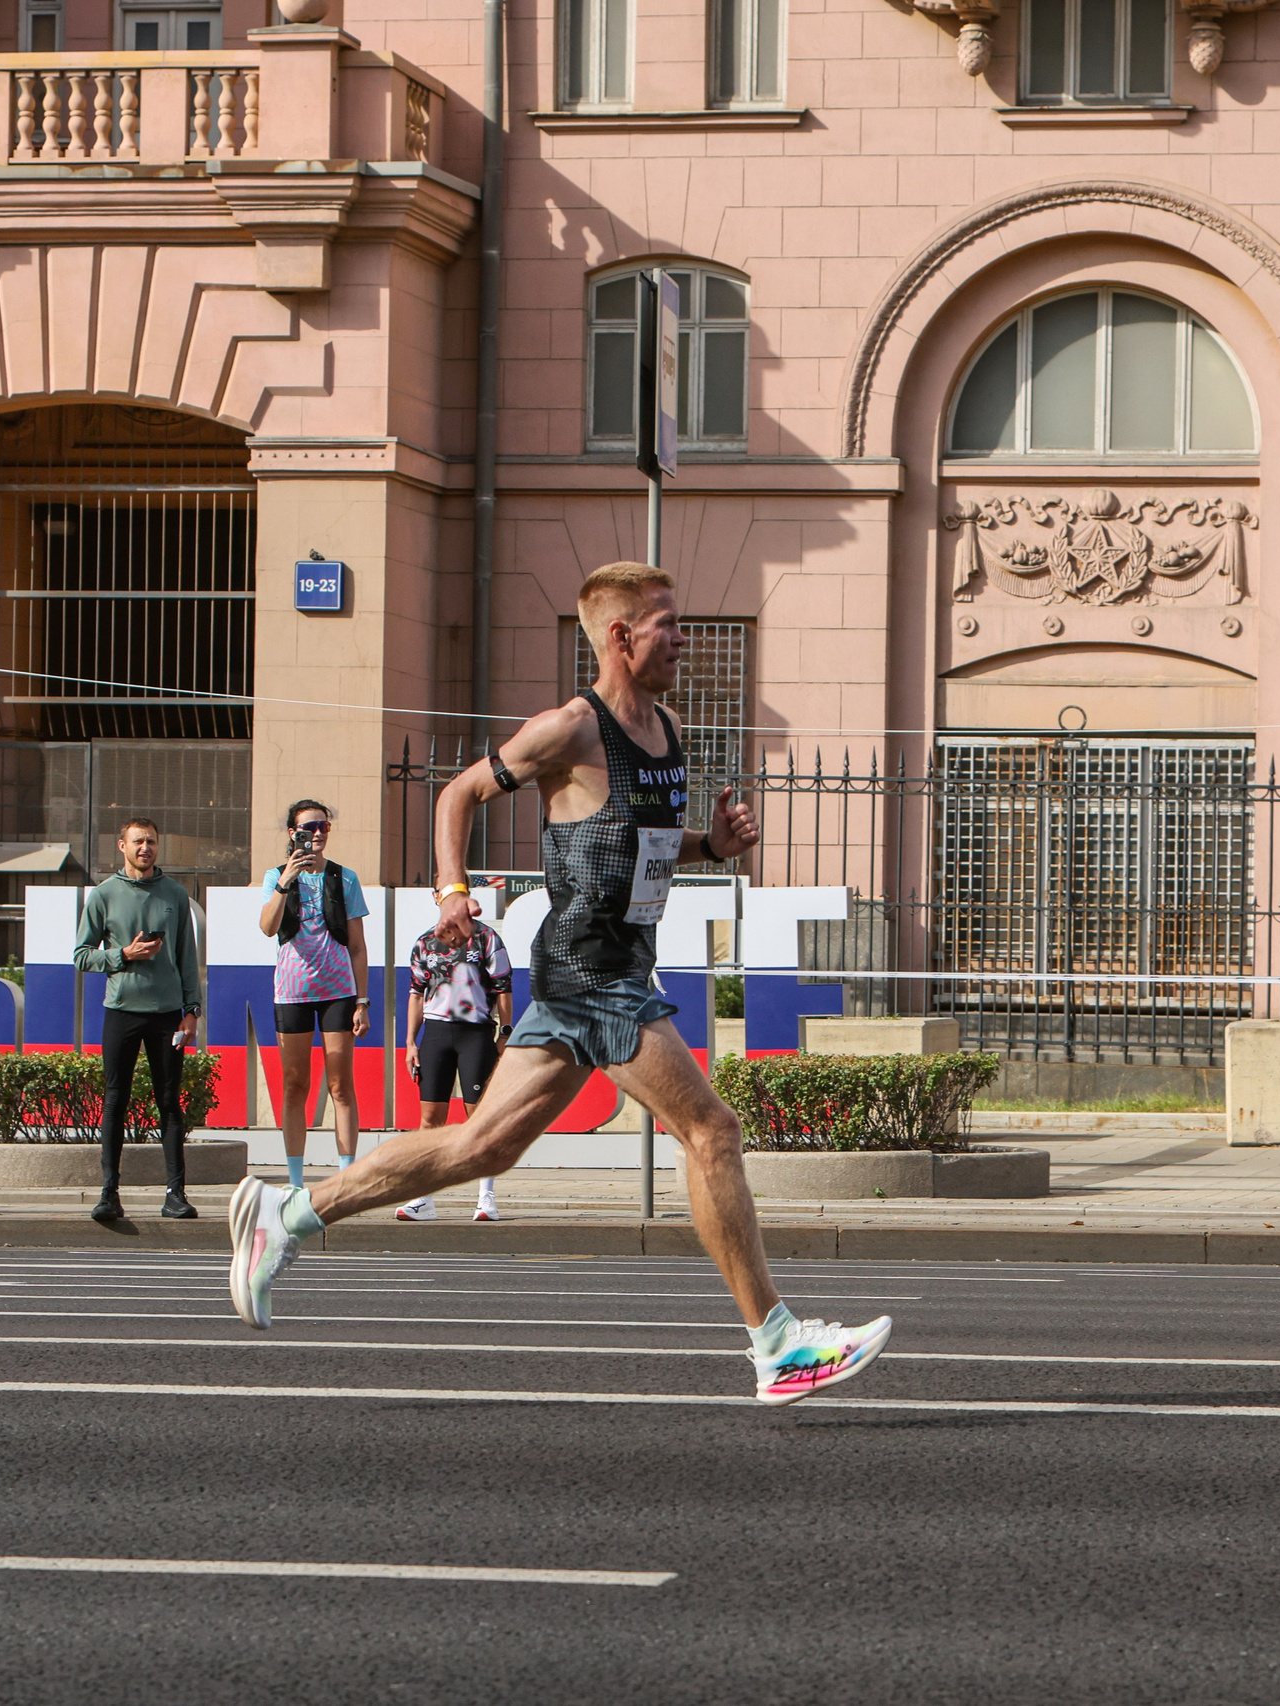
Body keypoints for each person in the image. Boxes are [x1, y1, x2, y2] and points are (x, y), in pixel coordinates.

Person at [229, 563, 893, 1405]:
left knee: (484, 1147)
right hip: (596, 975)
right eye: (667, 624)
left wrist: (712, 848)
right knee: (712, 1130)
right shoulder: (570, 729)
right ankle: (778, 1343)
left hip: (594, 971)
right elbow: (459, 794)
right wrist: (452, 889)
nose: (684, 639)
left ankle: (284, 1219)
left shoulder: (669, 731)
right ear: (620, 637)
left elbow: (644, 846)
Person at [72, 817, 203, 1222]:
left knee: (169, 1103)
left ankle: (175, 1194)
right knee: (115, 1100)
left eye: (151, 841)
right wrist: (122, 956)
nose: (145, 847)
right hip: (121, 1011)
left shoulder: (175, 895)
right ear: (121, 846)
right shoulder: (104, 894)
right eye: (138, 841)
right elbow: (81, 956)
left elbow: (187, 956)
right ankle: (109, 1193)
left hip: (167, 1017)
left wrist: (192, 1012)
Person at [255, 800, 371, 1188]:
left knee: (341, 1084)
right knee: (294, 1084)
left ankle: (345, 1177)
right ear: (293, 834)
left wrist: (362, 1000)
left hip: (338, 991)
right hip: (291, 992)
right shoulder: (276, 876)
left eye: (323, 826)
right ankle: (295, 1181)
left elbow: (357, 946)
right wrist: (286, 881)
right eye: (309, 827)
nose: (318, 833)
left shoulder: (344, 877)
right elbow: (268, 928)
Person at [394, 919, 513, 1223]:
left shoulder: (486, 938)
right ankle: (423, 1199)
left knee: (481, 1119)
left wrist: (505, 1034)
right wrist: (410, 1042)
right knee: (430, 1120)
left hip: (475, 1033)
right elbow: (416, 992)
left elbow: (503, 987)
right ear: (437, 896)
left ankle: (486, 1198)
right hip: (435, 1033)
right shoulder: (424, 942)